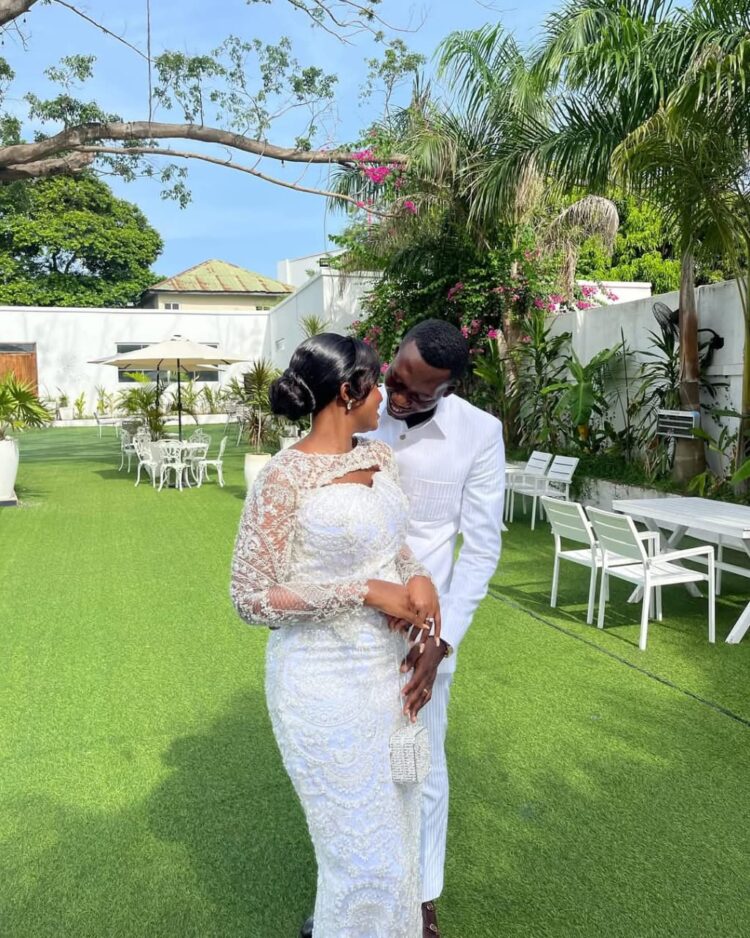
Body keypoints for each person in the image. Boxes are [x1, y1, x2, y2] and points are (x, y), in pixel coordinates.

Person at [231, 333, 442, 938]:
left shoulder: (378, 458)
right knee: (361, 858)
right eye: (377, 384)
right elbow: (250, 596)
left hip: (388, 678)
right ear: (349, 392)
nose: (386, 399)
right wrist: (366, 591)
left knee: (396, 845)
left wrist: (419, 576)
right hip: (320, 686)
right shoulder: (282, 478)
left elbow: (391, 544)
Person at [301, 320, 506, 938]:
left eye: (419, 393)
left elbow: (480, 550)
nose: (400, 398)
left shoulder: (480, 433)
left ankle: (420, 899)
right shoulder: (354, 408)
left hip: (425, 638)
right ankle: (347, 899)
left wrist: (441, 645)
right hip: (346, 627)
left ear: (448, 388)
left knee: (423, 768)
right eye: (396, 379)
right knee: (349, 772)